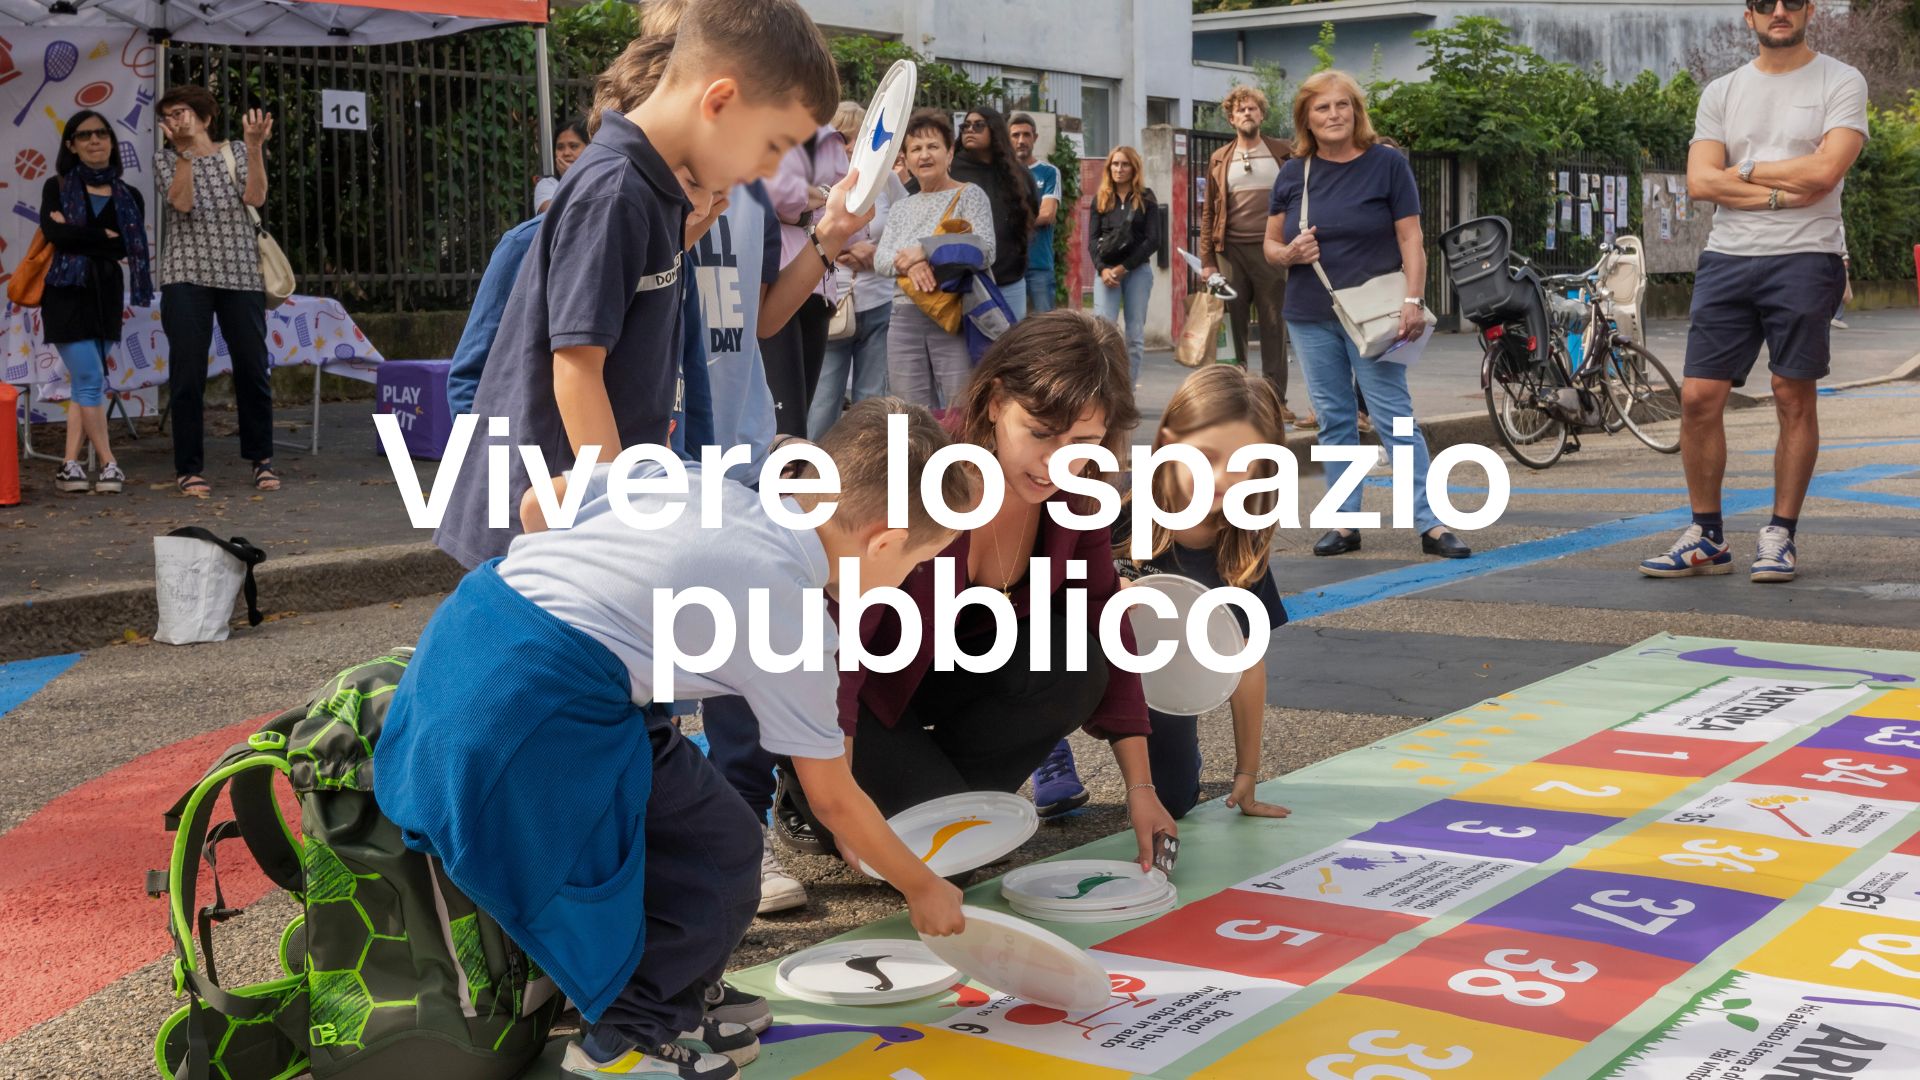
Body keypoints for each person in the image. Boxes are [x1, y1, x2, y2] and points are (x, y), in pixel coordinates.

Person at [375, 400, 971, 1080]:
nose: (910, 579)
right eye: (920, 562)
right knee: (720, 854)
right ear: (885, 542)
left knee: (696, 819)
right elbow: (832, 799)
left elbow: (541, 504)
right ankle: (629, 1036)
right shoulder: (793, 613)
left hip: (461, 650)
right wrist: (923, 887)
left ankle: (675, 989)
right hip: (528, 713)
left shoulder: (700, 480)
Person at [433, 0, 853, 571]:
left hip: (589, 511)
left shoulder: (652, 194)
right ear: (720, 103)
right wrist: (620, 525)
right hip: (557, 528)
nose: (767, 173)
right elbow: (576, 369)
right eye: (772, 147)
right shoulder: (615, 192)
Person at [773, 310, 1182, 876]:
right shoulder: (919, 472)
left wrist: (1142, 788)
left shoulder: (1078, 491)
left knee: (1077, 660)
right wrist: (841, 804)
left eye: (1084, 442)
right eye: (1040, 432)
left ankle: (932, 797)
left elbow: (1102, 617)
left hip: (943, 682)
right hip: (849, 694)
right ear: (994, 401)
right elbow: (837, 653)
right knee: (946, 861)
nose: (1059, 462)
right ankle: (807, 794)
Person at [1639, 0, 1866, 584]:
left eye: (1791, 1)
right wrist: (1777, 187)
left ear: (1809, 10)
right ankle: (1707, 536)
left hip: (1807, 255)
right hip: (1728, 257)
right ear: (1749, 16)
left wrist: (1739, 172)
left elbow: (1825, 174)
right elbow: (1699, 182)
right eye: (1766, 3)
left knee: (1792, 394)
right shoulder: (1722, 91)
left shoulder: (1841, 80)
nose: (1779, 11)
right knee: (1697, 397)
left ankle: (1780, 534)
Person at [1033, 365, 1295, 821]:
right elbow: (1041, 591)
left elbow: (1247, 666)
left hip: (1157, 681)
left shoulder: (1240, 549)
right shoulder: (1116, 506)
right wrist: (1106, 592)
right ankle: (1045, 745)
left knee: (1175, 800)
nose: (1220, 475)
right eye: (1205, 456)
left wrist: (1247, 773)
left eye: (1242, 462)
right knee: (1047, 642)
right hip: (1087, 662)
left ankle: (1174, 757)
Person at [1265, 70, 1471, 561]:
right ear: (1306, 119)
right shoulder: (1294, 173)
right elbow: (1269, 245)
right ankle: (1344, 522)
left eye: (1343, 105)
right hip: (1310, 312)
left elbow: (1411, 238)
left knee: (1394, 416)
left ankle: (1430, 522)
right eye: (1322, 108)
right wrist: (1289, 253)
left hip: (1378, 313)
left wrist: (1413, 300)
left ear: (1356, 111)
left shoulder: (1387, 164)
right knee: (1334, 418)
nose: (1334, 114)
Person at [154, 87, 277, 498]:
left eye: (182, 112)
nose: (175, 120)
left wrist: (255, 148)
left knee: (253, 368)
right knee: (187, 373)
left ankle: (261, 459)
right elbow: (182, 203)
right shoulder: (165, 159)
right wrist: (185, 155)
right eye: (168, 116)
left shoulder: (237, 151)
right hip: (185, 275)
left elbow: (256, 197)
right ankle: (188, 468)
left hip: (241, 273)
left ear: (205, 118)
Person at [41, 109, 149, 496]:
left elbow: (123, 248)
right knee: (90, 379)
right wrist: (101, 236)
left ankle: (69, 466)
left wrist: (78, 233)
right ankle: (108, 463)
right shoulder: (56, 186)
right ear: (71, 145)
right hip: (66, 293)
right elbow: (55, 234)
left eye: (101, 133)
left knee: (82, 385)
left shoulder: (129, 195)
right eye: (85, 135)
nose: (94, 140)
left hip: (106, 295)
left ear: (111, 142)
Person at [1200, 86, 1311, 430]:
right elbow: (1209, 212)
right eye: (1240, 110)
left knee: (1274, 325)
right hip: (1229, 252)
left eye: (1252, 108)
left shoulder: (1284, 153)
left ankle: (1275, 402)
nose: (1247, 113)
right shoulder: (1220, 158)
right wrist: (1207, 261)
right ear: (1231, 119)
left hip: (1272, 251)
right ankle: (1234, 402)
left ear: (1262, 114)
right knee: (1230, 330)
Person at [876, 109, 994, 409]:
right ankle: (914, 445)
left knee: (962, 407)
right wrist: (912, 265)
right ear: (906, 159)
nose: (924, 155)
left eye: (933, 146)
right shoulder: (902, 207)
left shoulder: (970, 195)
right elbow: (881, 259)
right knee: (906, 412)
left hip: (953, 313)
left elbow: (986, 250)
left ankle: (963, 445)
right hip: (904, 316)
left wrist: (925, 251)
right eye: (916, 149)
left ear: (949, 153)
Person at [808, 109, 906, 441]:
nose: (849, 147)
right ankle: (811, 469)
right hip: (831, 303)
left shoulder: (887, 180)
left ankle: (867, 467)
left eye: (857, 138)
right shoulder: (816, 181)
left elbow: (908, 226)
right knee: (822, 403)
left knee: (872, 403)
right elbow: (798, 234)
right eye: (841, 139)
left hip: (879, 302)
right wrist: (836, 247)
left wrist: (879, 254)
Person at [761, 106, 851, 436]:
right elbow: (771, 191)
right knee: (785, 426)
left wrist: (808, 206)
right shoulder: (760, 122)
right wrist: (822, 200)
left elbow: (850, 208)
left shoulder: (830, 138)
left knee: (796, 424)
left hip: (819, 286)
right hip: (775, 281)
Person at [949, 106, 1039, 322]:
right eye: (965, 126)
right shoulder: (951, 170)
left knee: (1012, 341)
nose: (970, 130)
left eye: (978, 125)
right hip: (966, 281)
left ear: (995, 130)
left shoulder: (1017, 172)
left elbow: (1032, 209)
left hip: (1010, 280)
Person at [1089, 146, 1159, 386]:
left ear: (1134, 168)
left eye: (1124, 164)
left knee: (1134, 336)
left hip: (1136, 271)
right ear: (1109, 168)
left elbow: (1153, 240)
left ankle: (1127, 391)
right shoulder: (1101, 199)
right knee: (1102, 334)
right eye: (1115, 164)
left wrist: (1124, 268)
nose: (1119, 169)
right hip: (1106, 272)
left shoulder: (1146, 198)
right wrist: (1102, 269)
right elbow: (1092, 240)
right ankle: (1105, 390)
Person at [1008, 113, 1061, 317]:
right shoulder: (1001, 173)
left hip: (1039, 265)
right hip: (1009, 265)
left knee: (1044, 327)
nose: (1021, 140)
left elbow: (1047, 214)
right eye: (1015, 135)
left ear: (1035, 137)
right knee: (1011, 327)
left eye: (1026, 135)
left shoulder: (1049, 172)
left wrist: (1009, 221)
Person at [533, 118, 591, 214]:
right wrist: (570, 178)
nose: (566, 153)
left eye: (573, 146)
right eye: (560, 147)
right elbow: (553, 215)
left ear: (589, 148)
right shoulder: (547, 185)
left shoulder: (603, 180)